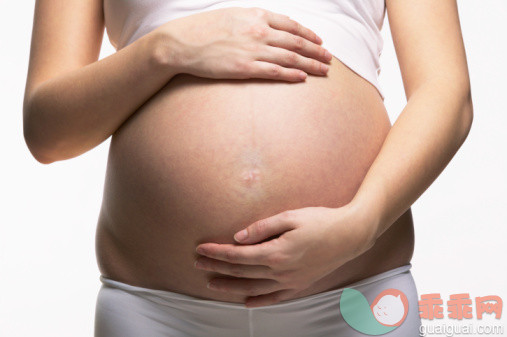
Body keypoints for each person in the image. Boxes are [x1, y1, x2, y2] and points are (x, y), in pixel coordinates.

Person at [23, 0, 473, 336]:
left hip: (354, 296)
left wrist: (363, 223)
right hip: (159, 311)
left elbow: (447, 92)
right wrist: (161, 50)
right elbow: (47, 130)